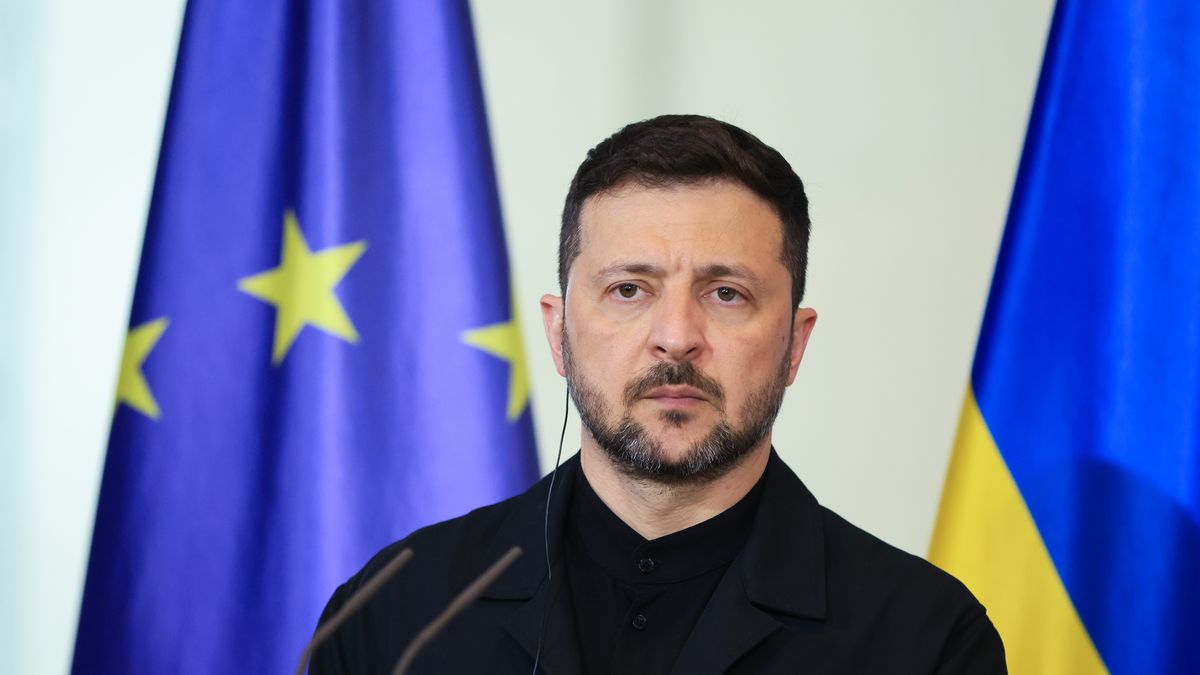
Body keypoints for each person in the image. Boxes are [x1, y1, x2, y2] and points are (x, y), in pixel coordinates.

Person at [309, 114, 1006, 674]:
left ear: (795, 343)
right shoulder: (391, 615)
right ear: (559, 333)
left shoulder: (927, 640)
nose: (676, 336)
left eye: (726, 293)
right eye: (629, 289)